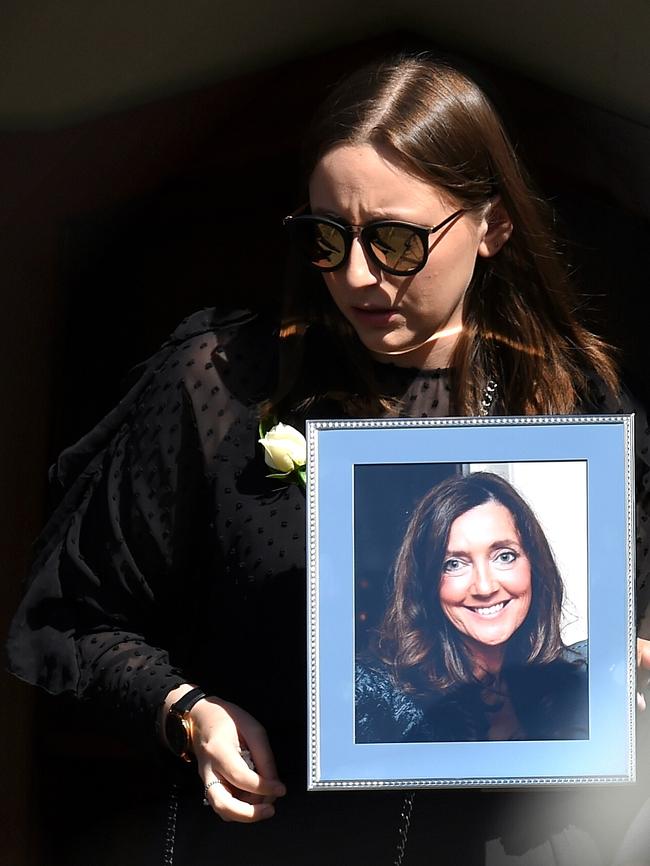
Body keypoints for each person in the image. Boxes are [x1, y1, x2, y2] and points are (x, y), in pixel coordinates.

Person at [7, 53, 650, 866]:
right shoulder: (224, 383)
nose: (356, 274)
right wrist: (187, 709)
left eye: (395, 241)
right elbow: (72, 617)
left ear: (493, 226)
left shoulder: (577, 398)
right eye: (326, 235)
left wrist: (628, 664)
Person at [355, 471, 589, 744]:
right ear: (427, 583)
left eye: (504, 556)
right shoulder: (370, 698)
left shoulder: (555, 687)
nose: (485, 587)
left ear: (534, 566)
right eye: (454, 564)